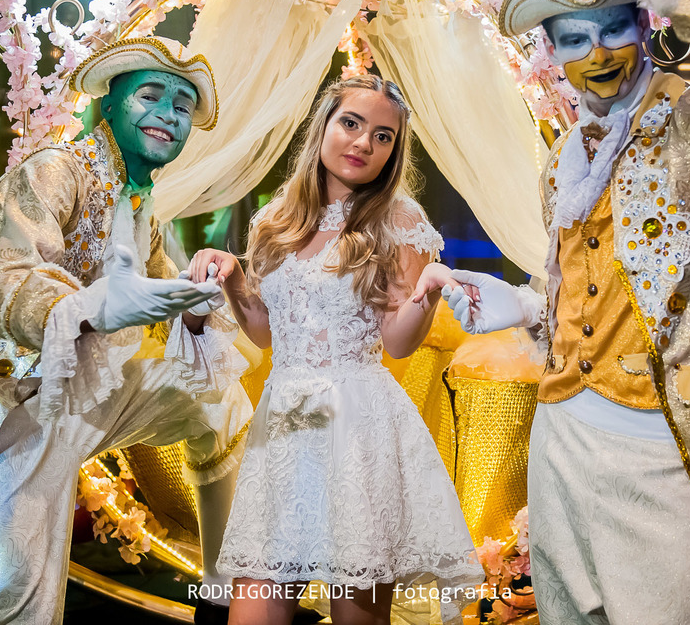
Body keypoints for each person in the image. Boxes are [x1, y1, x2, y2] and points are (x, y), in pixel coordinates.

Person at [444, 0, 690, 624]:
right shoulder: (563, 161)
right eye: (574, 39)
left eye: (614, 27)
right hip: (561, 443)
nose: (598, 54)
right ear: (553, 52)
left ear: (644, 26)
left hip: (669, 446)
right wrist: (523, 306)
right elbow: (593, 286)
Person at [0, 36, 254, 625]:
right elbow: (10, 275)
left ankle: (221, 595)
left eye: (183, 106)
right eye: (151, 95)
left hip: (88, 400)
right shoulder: (56, 170)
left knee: (219, 400)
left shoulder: (141, 209)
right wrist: (90, 306)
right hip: (8, 413)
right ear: (109, 103)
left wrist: (199, 295)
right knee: (24, 605)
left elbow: (168, 302)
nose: (168, 113)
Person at [185, 75, 483, 625]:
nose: (364, 142)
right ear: (323, 126)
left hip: (358, 428)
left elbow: (398, 343)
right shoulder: (274, 219)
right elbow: (269, 334)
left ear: (393, 151)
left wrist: (429, 289)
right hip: (287, 424)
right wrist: (234, 281)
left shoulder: (400, 220)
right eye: (351, 123)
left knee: (357, 616)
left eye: (383, 136)